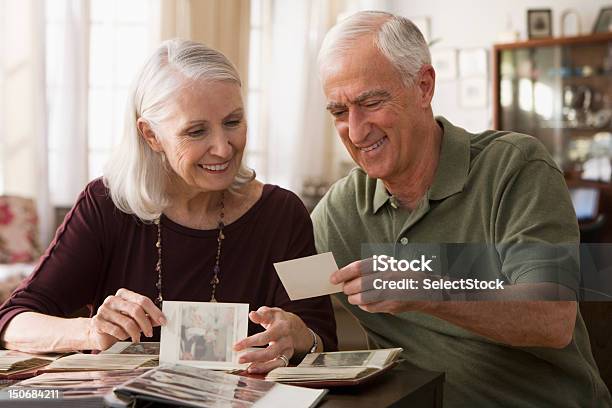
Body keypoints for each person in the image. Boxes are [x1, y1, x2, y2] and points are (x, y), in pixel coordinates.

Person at [311, 10, 611, 406]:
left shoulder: (516, 166)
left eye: (371, 101)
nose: (356, 129)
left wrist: (425, 287)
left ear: (423, 87)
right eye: (338, 112)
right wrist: (292, 331)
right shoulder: (340, 208)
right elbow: (292, 296)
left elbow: (552, 317)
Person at [0, 39, 336, 374]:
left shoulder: (288, 211)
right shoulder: (104, 204)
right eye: (196, 131)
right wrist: (90, 331)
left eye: (233, 122)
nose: (222, 148)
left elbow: (325, 336)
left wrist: (299, 336)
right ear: (151, 135)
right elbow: (13, 321)